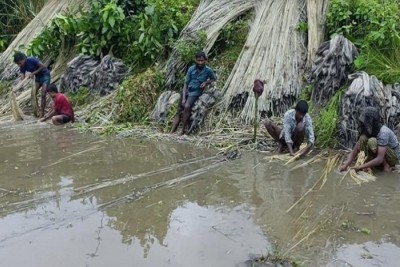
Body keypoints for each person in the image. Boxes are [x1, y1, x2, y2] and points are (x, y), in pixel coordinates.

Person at [339, 107, 400, 173]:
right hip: (381, 153)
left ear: (370, 120)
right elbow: (355, 151)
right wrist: (345, 165)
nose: (363, 123)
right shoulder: (369, 130)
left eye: (365, 120)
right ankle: (370, 162)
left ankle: (386, 165)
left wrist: (359, 167)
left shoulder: (384, 132)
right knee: (363, 138)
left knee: (372, 141)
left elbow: (380, 158)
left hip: (392, 157)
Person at [171, 51, 217, 135]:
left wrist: (206, 82)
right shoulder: (191, 69)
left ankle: (183, 129)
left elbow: (214, 78)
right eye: (198, 60)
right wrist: (184, 98)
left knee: (187, 106)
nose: (200, 62)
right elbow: (186, 83)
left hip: (196, 91)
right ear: (195, 60)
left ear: (205, 60)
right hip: (187, 90)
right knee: (179, 109)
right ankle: (172, 131)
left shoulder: (208, 70)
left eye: (202, 61)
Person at [14, 52, 51, 118]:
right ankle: (36, 110)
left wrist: (33, 73)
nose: (19, 65)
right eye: (18, 64)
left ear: (23, 59)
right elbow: (22, 78)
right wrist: (17, 87)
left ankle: (42, 112)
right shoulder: (22, 67)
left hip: (45, 75)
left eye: (19, 63)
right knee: (33, 94)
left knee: (43, 93)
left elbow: (43, 66)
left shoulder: (31, 60)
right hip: (37, 78)